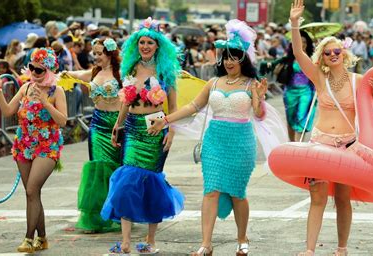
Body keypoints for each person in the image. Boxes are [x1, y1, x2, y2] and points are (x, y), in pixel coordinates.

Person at [149, 19, 267, 256]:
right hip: (215, 141)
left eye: (235, 57)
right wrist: (166, 119)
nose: (230, 62)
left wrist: (260, 97)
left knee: (237, 192)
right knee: (211, 190)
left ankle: (242, 238)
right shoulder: (213, 82)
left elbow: (259, 113)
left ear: (243, 59)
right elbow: (192, 106)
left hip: (241, 142)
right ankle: (206, 244)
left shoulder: (251, 84)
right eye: (226, 57)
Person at [289, 0, 370, 255]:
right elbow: (298, 53)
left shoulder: (358, 81)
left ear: (344, 54)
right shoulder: (318, 78)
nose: (333, 55)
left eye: (337, 51)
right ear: (322, 57)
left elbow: (372, 110)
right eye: (328, 52)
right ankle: (310, 250)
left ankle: (342, 248)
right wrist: (294, 23)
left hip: (348, 145)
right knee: (317, 198)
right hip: (321, 143)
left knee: (343, 199)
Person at [100, 17, 184, 254]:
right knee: (126, 181)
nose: (145, 46)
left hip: (156, 127)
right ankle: (126, 242)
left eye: (150, 42)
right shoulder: (131, 68)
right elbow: (126, 101)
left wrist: (171, 132)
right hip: (133, 128)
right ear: (136, 44)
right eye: (141, 42)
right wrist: (118, 125)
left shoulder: (166, 71)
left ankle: (151, 241)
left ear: (158, 45)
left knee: (151, 182)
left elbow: (174, 108)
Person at [0, 47, 67, 253]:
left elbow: (63, 120)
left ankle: (28, 238)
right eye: (32, 68)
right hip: (24, 146)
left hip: (47, 147)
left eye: (39, 70)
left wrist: (45, 103)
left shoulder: (56, 91)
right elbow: (8, 110)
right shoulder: (25, 88)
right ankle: (42, 238)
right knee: (32, 194)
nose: (34, 72)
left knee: (31, 190)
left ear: (50, 71)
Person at [61, 38, 123, 233]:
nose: (95, 57)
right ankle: (95, 216)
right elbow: (77, 74)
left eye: (99, 53)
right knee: (98, 168)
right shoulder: (94, 72)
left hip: (116, 124)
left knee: (117, 169)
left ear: (110, 54)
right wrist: (64, 73)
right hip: (97, 125)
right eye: (94, 53)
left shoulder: (122, 73)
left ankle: (117, 211)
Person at [261, 30, 316, 141]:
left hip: (306, 91)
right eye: (299, 42)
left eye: (304, 42)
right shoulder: (288, 58)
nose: (302, 44)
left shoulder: (314, 58)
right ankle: (291, 143)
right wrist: (278, 68)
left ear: (308, 43)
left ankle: (299, 145)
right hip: (290, 91)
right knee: (290, 118)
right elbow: (275, 70)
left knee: (301, 117)